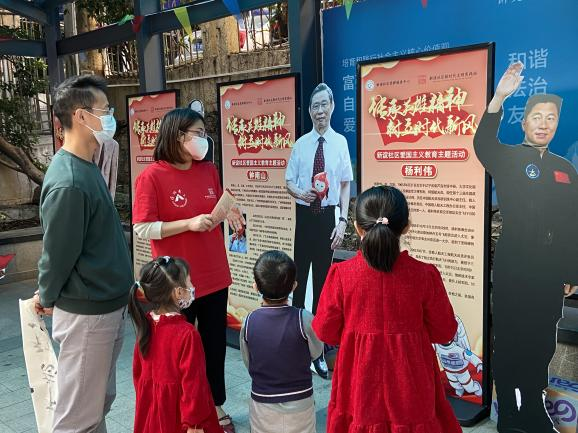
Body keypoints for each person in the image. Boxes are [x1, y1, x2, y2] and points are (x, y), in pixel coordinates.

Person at [473, 62, 578, 433]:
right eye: (537, 116)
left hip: (549, 269)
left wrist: (571, 271)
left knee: (541, 340)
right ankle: (510, 412)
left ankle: (532, 407)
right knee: (510, 338)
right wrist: (499, 98)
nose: (544, 124)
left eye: (551, 118)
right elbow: (482, 144)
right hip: (515, 262)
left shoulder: (566, 169)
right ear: (524, 122)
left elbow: (572, 222)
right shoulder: (507, 157)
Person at [312, 186, 461, 433]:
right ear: (406, 227)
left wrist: (356, 335)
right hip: (411, 384)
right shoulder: (424, 275)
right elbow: (444, 331)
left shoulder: (341, 275)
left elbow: (325, 331)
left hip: (358, 384)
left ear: (357, 228)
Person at [32, 74, 133, 433]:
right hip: (89, 314)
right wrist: (47, 295)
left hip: (104, 307)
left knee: (95, 406)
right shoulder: (69, 182)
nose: (111, 117)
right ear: (80, 116)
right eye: (104, 110)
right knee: (78, 417)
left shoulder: (86, 166)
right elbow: (57, 254)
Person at [132, 108, 243, 432]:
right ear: (178, 136)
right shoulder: (152, 177)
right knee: (177, 348)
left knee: (213, 345)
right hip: (177, 281)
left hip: (214, 274)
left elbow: (214, 207)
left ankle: (215, 404)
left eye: (204, 132)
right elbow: (142, 227)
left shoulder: (208, 170)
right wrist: (188, 224)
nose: (204, 139)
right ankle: (180, 410)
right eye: (198, 133)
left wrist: (230, 211)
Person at [285, 82, 353, 378]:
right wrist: (299, 193)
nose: (320, 110)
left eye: (324, 104)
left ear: (332, 106)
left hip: (328, 218)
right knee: (299, 279)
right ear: (310, 111)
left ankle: (320, 349)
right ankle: (296, 343)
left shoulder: (340, 143)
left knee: (324, 284)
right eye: (315, 106)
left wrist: (343, 221)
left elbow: (345, 184)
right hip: (305, 217)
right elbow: (288, 181)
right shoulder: (301, 144)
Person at [128, 256, 223, 433]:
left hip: (151, 414)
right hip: (180, 418)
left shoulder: (146, 326)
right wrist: (194, 424)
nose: (192, 286)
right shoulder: (187, 334)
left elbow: (138, 376)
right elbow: (194, 385)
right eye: (189, 281)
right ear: (178, 292)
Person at [240, 250, 323, 433]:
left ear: (255, 287)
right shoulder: (304, 319)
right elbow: (317, 351)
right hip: (300, 401)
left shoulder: (249, 321)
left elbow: (248, 360)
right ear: (294, 286)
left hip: (262, 403)